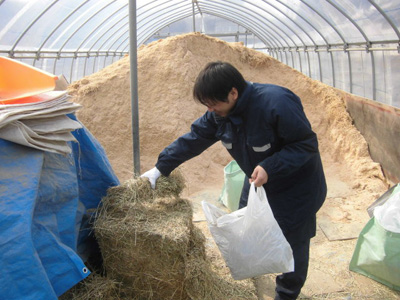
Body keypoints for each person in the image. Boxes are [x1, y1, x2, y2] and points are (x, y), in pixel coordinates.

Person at [141, 61, 327, 300]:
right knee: (247, 224)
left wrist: (270, 166)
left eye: (213, 103)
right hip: (258, 182)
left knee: (293, 242)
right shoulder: (219, 114)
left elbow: (305, 144)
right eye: (206, 105)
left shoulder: (276, 103)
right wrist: (160, 168)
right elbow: (195, 138)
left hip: (296, 187)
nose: (210, 110)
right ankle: (258, 268)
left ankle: (286, 292)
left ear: (233, 92)